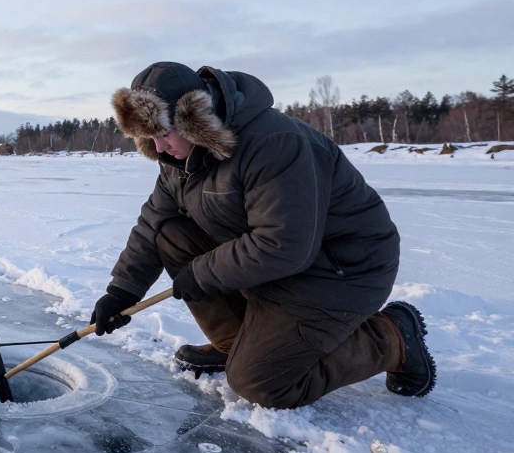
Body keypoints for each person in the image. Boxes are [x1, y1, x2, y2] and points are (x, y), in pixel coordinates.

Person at [90, 62, 435, 409]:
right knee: (172, 235)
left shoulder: (275, 144)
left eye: (164, 134)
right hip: (277, 268)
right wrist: (122, 291)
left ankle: (389, 338)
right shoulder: (181, 159)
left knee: (259, 383)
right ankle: (238, 342)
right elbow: (154, 221)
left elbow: (283, 243)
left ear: (191, 119)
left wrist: (202, 273)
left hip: (338, 271)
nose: (160, 148)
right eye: (150, 138)